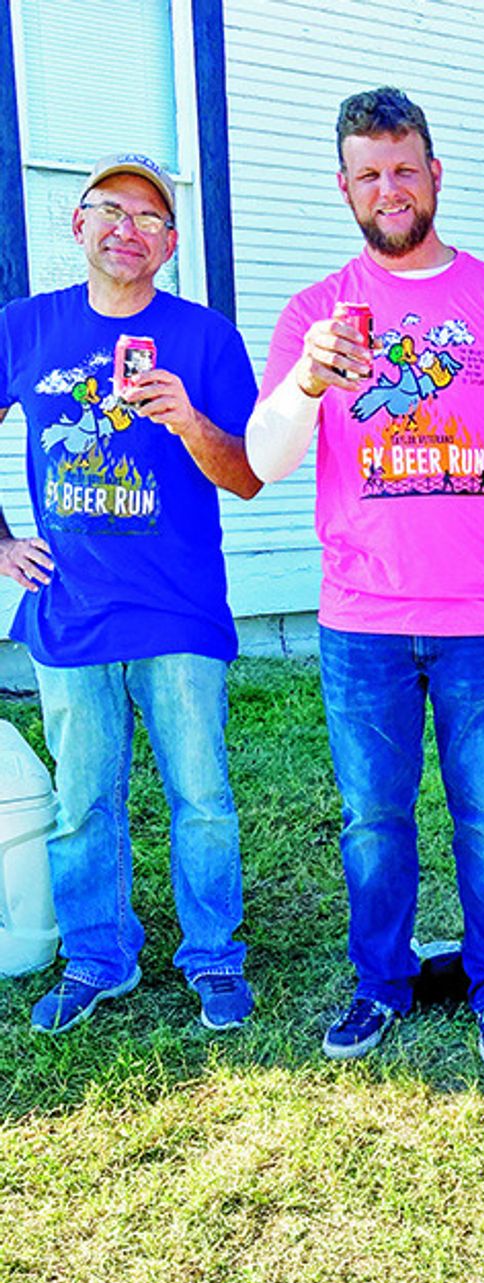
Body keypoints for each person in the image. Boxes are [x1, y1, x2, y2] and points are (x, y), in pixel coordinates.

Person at [246, 88, 484, 1071]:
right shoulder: (316, 313)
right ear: (345, 186)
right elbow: (265, 457)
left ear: (435, 173)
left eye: (405, 167)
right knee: (373, 819)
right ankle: (381, 983)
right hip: (363, 618)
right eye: (369, 173)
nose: (390, 188)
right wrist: (308, 378)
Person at [0, 153, 263, 1033]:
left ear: (172, 242)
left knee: (202, 797)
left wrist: (188, 418)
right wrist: (0, 541)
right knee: (84, 801)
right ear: (77, 225)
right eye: (109, 209)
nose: (127, 227)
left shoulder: (205, 338)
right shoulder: (26, 328)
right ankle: (97, 957)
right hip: (69, 612)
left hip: (179, 610)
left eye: (149, 216)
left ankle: (215, 958)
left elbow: (249, 475)